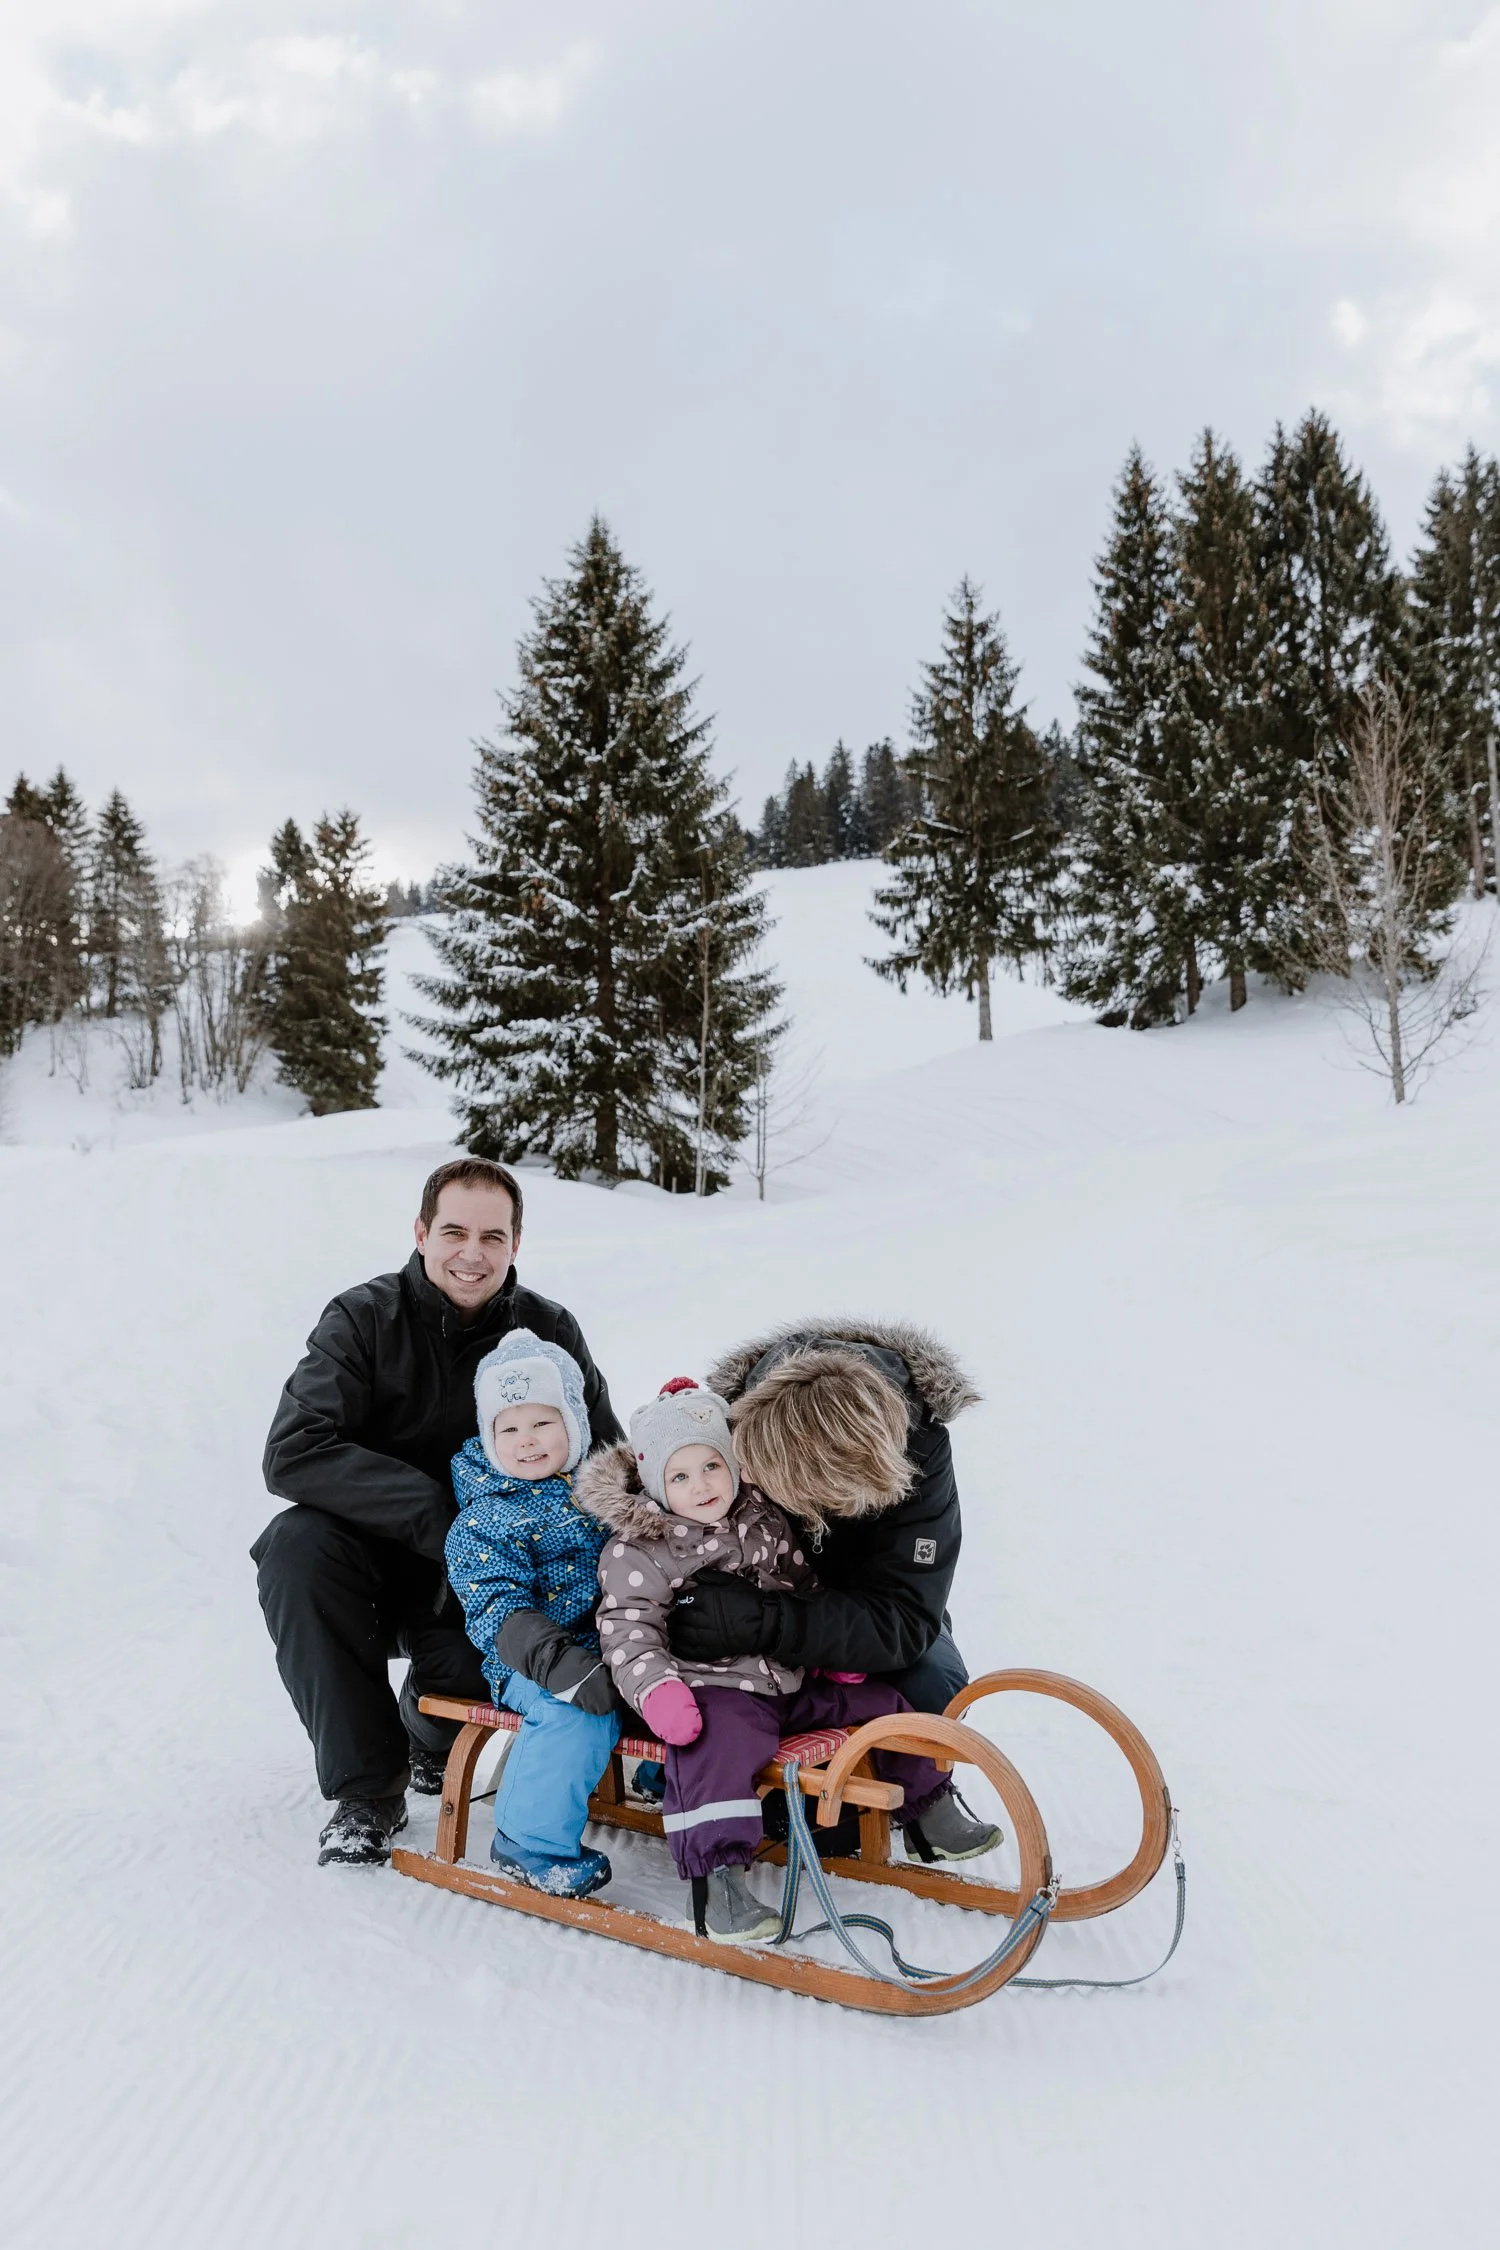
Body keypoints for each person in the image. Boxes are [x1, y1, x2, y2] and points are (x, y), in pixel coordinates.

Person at [253, 1155, 620, 1866]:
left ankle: (429, 1736)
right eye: (454, 1231)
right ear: (422, 1233)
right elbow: (294, 1450)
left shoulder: (548, 1331)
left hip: (499, 1569)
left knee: (458, 1670)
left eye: (493, 1236)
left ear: (516, 1244)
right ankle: (366, 1792)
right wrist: (444, 1514)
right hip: (381, 1553)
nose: (472, 1253)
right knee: (294, 1547)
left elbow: (604, 1457)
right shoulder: (363, 1319)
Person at [578, 1377, 998, 1945]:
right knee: (715, 1747)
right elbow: (627, 1632)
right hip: (711, 1689)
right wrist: (658, 1691)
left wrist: (828, 1659)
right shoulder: (638, 1550)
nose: (701, 1486)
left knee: (885, 1704)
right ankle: (717, 1884)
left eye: (712, 1467)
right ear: (655, 1485)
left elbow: (801, 1587)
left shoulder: (765, 1520)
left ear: (736, 1464)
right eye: (679, 1476)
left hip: (786, 1678)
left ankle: (929, 1811)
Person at [665, 1322, 977, 1723]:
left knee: (934, 1684)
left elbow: (904, 1618)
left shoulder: (919, 1451)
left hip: (863, 1612)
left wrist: (767, 1620)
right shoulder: (733, 1425)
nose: (746, 1479)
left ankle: (918, 1782)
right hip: (754, 1597)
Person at [442, 1329, 618, 1900]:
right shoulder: (483, 1520)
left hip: (618, 1647)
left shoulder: (606, 1493)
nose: (527, 1441)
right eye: (508, 1428)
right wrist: (560, 1665)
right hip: (531, 1663)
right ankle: (529, 1841)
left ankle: (670, 1782)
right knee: (572, 1716)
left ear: (574, 1423)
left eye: (543, 1422)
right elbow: (498, 1609)